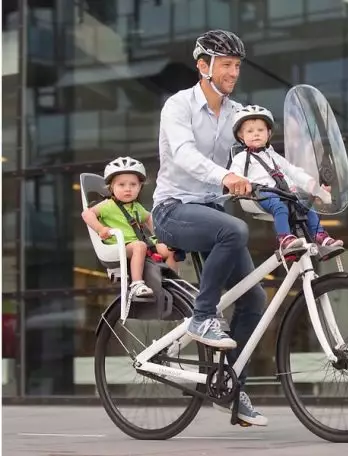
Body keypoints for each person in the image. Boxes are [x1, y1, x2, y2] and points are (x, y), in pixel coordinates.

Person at [150, 29, 267, 426]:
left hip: (211, 216)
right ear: (204, 67)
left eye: (237, 65)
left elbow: (258, 159)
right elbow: (182, 155)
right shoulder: (177, 106)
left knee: (254, 301)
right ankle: (202, 316)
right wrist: (225, 177)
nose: (233, 73)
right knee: (233, 230)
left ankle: (231, 389)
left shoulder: (237, 115)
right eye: (226, 65)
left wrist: (300, 187)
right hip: (174, 210)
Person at [229, 105, 343, 255]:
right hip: (262, 193)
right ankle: (285, 239)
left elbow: (293, 171)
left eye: (260, 130)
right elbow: (235, 175)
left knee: (306, 205)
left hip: (284, 192)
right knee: (279, 207)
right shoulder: (241, 157)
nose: (256, 134)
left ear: (268, 133)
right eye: (250, 131)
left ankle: (319, 235)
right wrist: (239, 185)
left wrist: (312, 186)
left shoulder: (273, 156)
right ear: (241, 136)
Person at [81, 157, 177, 298]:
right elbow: (86, 214)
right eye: (121, 185)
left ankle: (173, 282)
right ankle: (137, 283)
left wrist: (159, 236)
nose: (128, 189)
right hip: (118, 245)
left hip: (138, 243)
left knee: (169, 249)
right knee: (139, 246)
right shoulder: (107, 205)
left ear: (140, 187)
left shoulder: (136, 207)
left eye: (133, 185)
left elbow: (148, 218)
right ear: (111, 188)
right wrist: (101, 229)